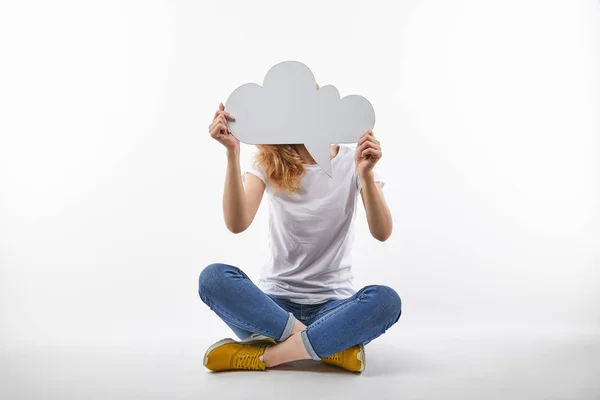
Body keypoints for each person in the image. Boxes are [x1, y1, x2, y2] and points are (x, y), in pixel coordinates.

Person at [199, 86, 401, 373]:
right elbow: (236, 223)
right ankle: (327, 346)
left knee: (386, 301)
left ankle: (266, 356)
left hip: (333, 307)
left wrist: (366, 175)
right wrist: (232, 154)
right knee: (213, 278)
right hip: (273, 309)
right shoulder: (269, 161)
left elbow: (382, 232)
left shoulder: (353, 161)